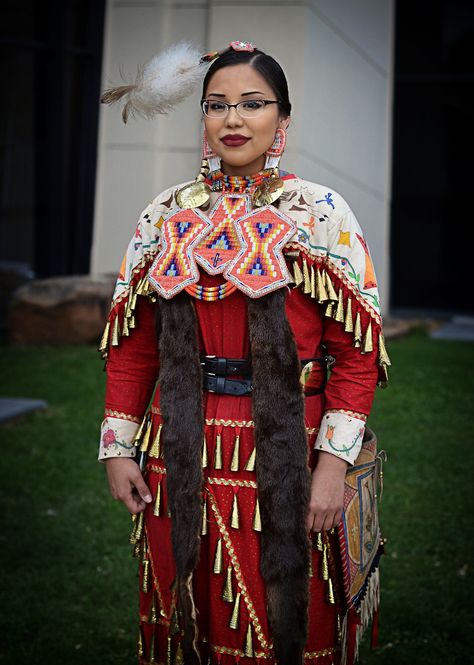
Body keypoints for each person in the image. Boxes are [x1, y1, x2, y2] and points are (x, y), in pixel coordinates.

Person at [98, 41, 390, 665]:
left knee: (291, 621)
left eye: (252, 104)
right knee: (187, 621)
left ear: (282, 120)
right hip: (176, 453)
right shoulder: (164, 216)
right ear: (202, 120)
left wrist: (333, 465)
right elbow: (132, 349)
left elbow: (357, 356)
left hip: (292, 451)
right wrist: (119, 448)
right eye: (217, 105)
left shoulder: (321, 215)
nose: (233, 120)